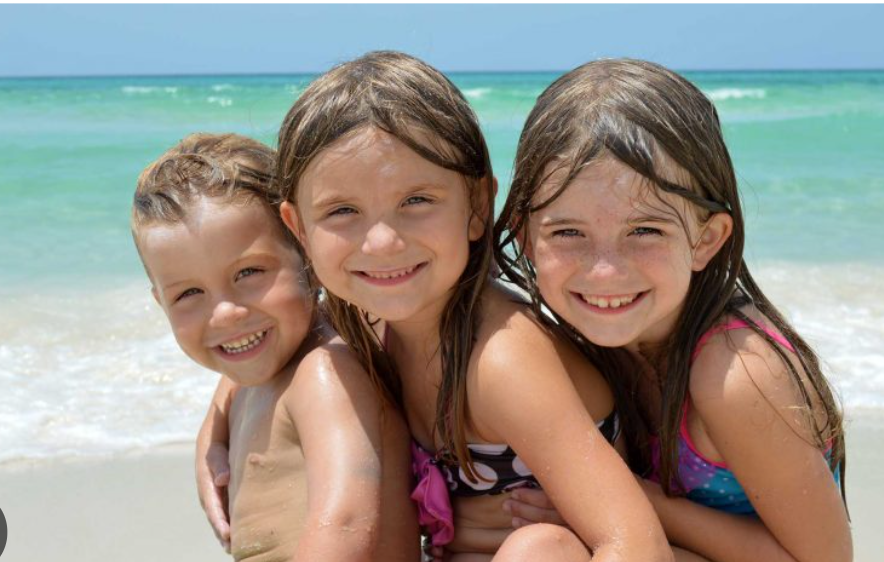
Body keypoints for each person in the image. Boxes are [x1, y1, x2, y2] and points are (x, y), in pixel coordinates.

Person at [197, 52, 673, 562]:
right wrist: (216, 427)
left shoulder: (500, 359)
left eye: (416, 201)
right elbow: (267, 335)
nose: (381, 242)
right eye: (342, 211)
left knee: (539, 550)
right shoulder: (368, 313)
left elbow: (635, 543)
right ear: (299, 229)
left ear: (475, 207)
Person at [495, 58, 852, 562]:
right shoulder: (577, 345)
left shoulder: (737, 374)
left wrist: (632, 501)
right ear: (527, 237)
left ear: (706, 239)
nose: (604, 272)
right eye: (568, 232)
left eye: (644, 231)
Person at [132, 133, 419, 562]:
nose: (226, 313)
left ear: (308, 254)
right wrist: (211, 430)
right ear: (160, 301)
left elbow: (345, 522)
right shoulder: (255, 382)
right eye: (188, 294)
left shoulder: (325, 376)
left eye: (248, 272)